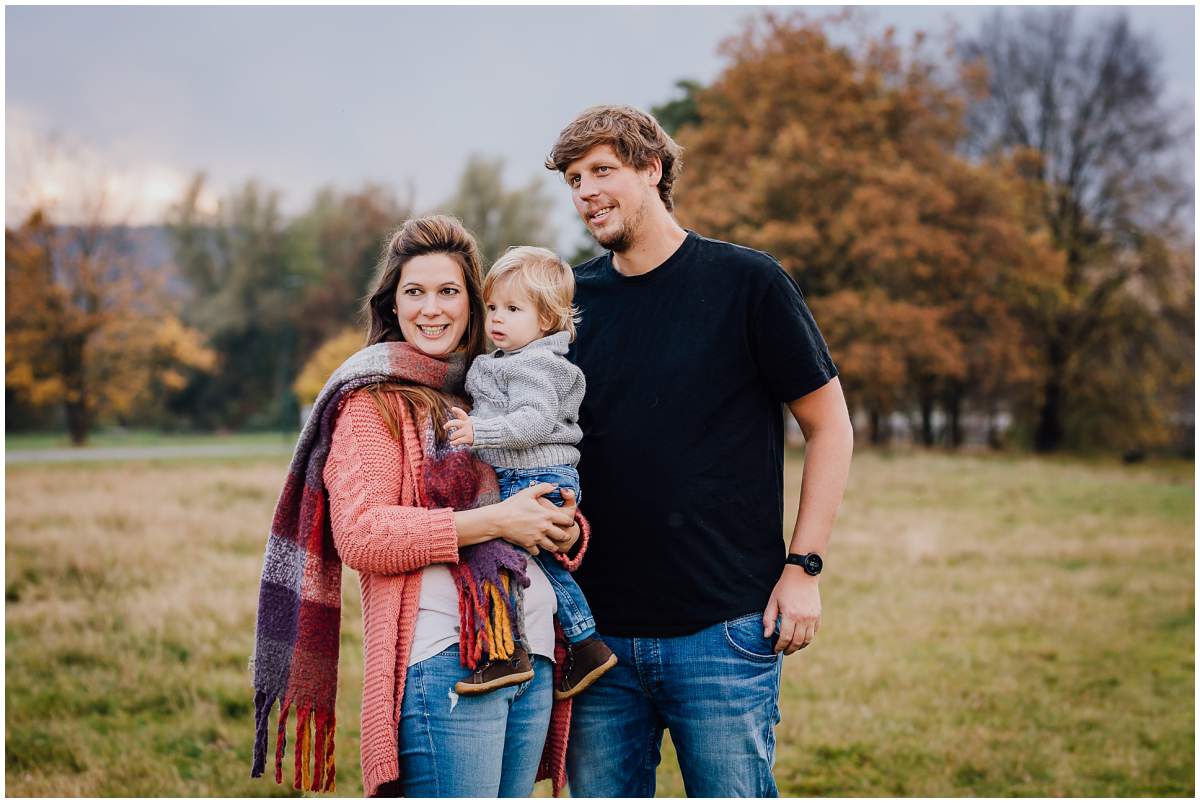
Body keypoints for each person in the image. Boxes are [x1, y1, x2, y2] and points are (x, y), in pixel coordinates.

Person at [544, 105, 855, 796]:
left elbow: (830, 425)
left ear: (652, 169)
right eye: (572, 178)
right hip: (595, 642)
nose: (585, 190)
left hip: (723, 632)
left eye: (602, 170)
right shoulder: (571, 304)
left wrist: (803, 567)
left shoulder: (747, 283)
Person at [250, 215, 588, 797]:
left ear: (473, 303)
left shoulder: (489, 389)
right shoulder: (370, 402)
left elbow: (540, 486)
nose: (432, 309)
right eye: (415, 292)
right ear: (393, 303)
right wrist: (496, 522)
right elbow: (362, 533)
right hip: (446, 656)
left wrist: (564, 527)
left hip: (532, 648)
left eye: (448, 292)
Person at [444, 245, 618, 700]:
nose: (498, 318)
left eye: (513, 309)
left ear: (546, 320)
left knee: (499, 555)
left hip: (535, 476)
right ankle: (586, 644)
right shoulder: (507, 359)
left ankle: (509, 652)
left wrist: (479, 431)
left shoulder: (536, 363)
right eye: (494, 306)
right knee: (544, 566)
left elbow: (535, 421)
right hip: (532, 476)